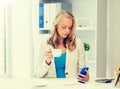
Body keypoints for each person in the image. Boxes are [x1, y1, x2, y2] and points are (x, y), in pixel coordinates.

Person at [35, 10, 89, 82]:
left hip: (71, 86)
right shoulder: (45, 44)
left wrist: (85, 77)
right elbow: (38, 74)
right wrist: (47, 62)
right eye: (64, 27)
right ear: (56, 26)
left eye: (70, 28)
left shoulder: (78, 43)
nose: (67, 31)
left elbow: (82, 71)